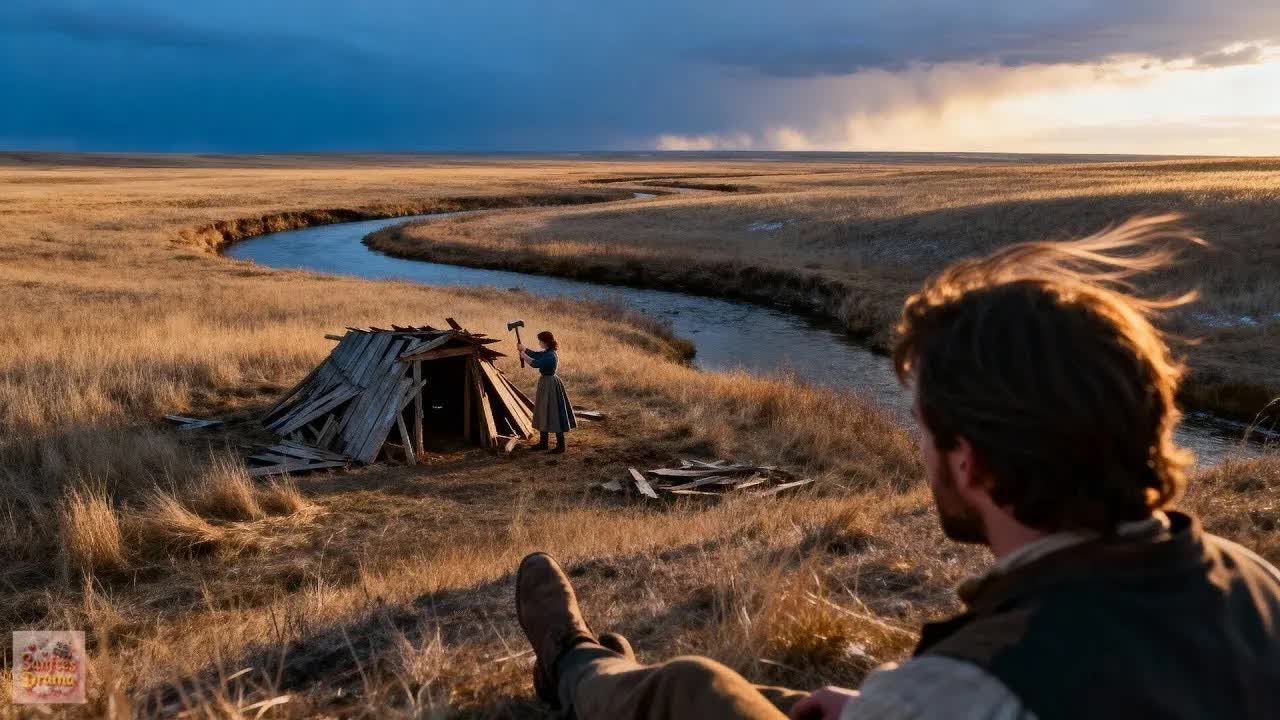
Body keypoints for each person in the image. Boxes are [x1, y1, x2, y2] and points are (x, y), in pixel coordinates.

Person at [512, 216, 1280, 719]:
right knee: (773, 696)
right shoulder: (1254, 582)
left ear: (970, 462)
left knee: (692, 689)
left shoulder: (971, 687)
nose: (920, 450)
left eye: (924, 430)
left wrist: (902, 706)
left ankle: (574, 663)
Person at [519, 330, 577, 453]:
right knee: (542, 410)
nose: (539, 343)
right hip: (545, 384)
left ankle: (560, 446)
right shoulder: (547, 352)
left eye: (540, 341)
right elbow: (536, 355)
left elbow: (536, 363)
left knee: (554, 412)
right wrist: (524, 349)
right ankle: (543, 443)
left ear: (545, 342)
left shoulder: (551, 355)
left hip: (550, 385)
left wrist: (524, 356)